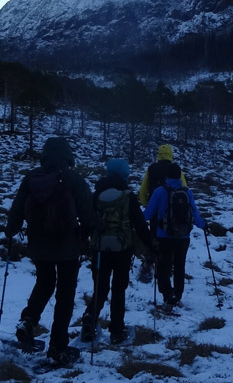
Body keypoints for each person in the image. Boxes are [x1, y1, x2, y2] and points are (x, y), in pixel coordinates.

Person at [6, 136, 94, 366]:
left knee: (44, 284)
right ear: (67, 155)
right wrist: (89, 234)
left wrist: (11, 230)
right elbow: (87, 214)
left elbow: (17, 208)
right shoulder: (74, 179)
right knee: (65, 295)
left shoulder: (32, 178)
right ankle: (57, 347)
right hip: (67, 247)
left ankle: (27, 320)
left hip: (39, 244)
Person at [79, 158, 152, 344]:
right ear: (124, 176)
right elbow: (140, 225)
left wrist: (81, 244)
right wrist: (152, 246)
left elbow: (87, 222)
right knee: (119, 289)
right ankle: (117, 332)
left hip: (99, 250)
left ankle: (90, 318)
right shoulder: (128, 197)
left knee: (100, 288)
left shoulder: (95, 196)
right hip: (123, 251)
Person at [142, 163, 206, 309]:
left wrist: (133, 220)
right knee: (179, 265)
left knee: (163, 266)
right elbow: (195, 214)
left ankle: (167, 294)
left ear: (166, 176)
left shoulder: (159, 191)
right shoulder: (187, 192)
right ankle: (177, 295)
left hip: (164, 236)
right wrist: (203, 224)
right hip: (183, 236)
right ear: (179, 176)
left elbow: (148, 213)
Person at [136, 145, 188, 284]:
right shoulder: (176, 170)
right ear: (171, 155)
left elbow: (142, 190)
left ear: (159, 154)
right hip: (174, 213)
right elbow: (184, 187)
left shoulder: (151, 169)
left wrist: (148, 205)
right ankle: (166, 267)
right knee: (171, 237)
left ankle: (151, 261)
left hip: (155, 212)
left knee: (154, 237)